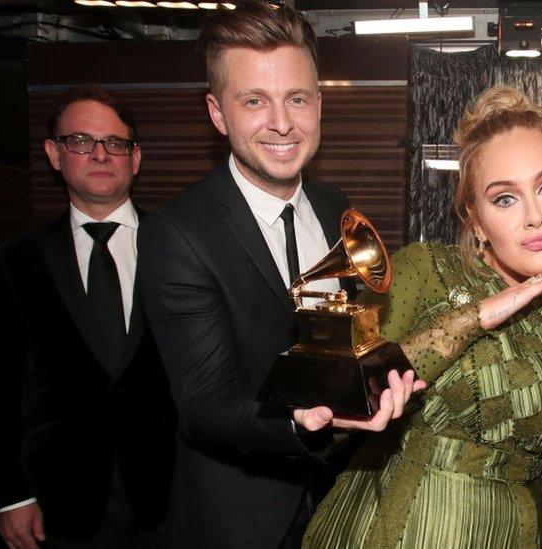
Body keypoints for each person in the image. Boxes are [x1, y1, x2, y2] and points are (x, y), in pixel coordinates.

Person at [137, 3, 423, 548]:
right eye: (254, 101)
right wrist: (302, 423)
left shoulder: (334, 204)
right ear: (218, 113)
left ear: (319, 102)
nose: (283, 123)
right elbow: (204, 403)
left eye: (297, 98)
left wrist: (382, 381)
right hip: (239, 522)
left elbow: (339, 340)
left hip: (341, 505)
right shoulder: (176, 234)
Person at [300, 85, 542, 549]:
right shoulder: (424, 270)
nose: (535, 216)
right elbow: (341, 407)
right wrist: (475, 317)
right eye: (504, 199)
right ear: (476, 220)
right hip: (381, 526)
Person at [0, 85, 176, 548]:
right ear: (54, 154)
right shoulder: (16, 263)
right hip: (59, 505)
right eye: (81, 141)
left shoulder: (182, 250)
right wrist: (12, 496)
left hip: (173, 499)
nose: (100, 154)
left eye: (115, 143)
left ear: (135, 158)